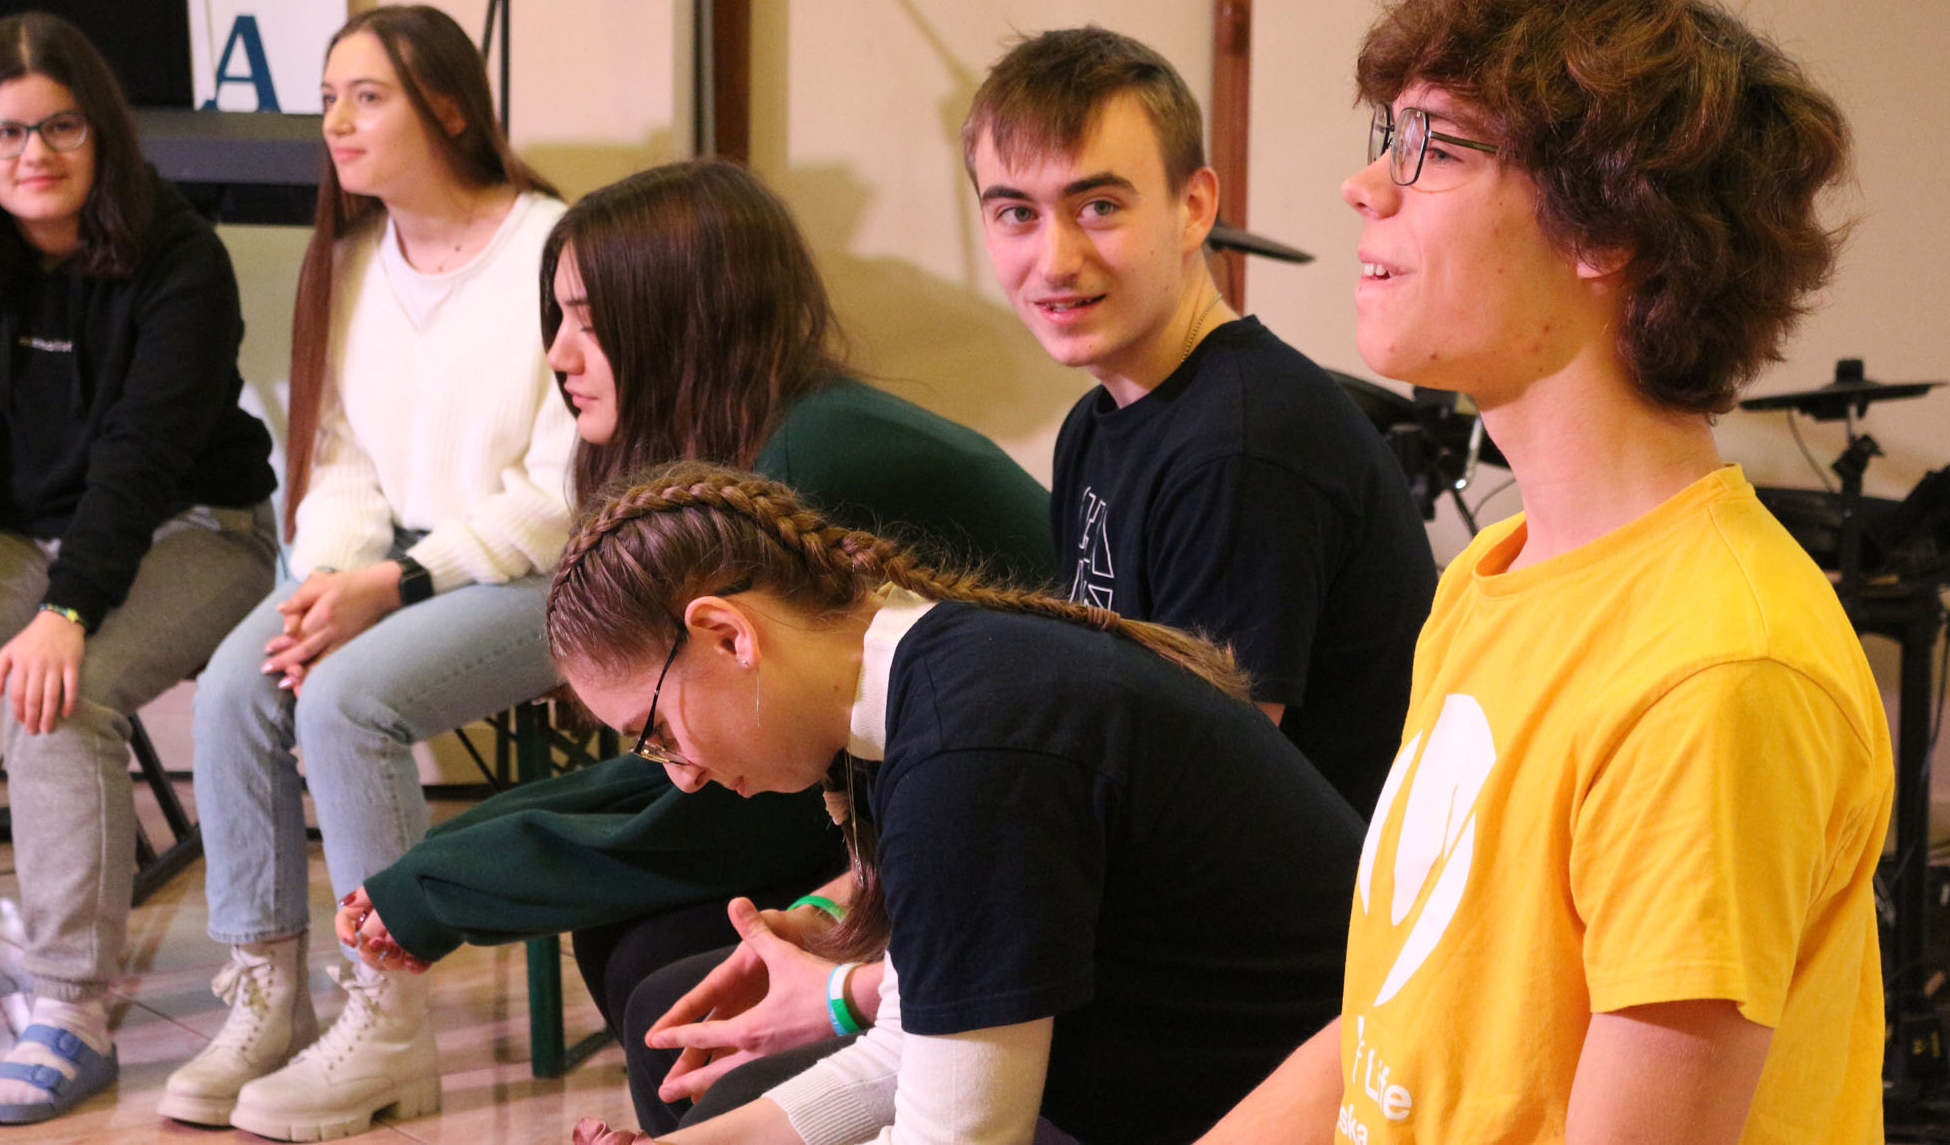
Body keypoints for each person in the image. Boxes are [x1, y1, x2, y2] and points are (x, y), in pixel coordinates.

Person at [1200, 0, 1889, 1145]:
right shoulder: (1492, 573)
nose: (1366, 185)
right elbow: (1391, 1032)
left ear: (1604, 226)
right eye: (1388, 136)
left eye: (1434, 146)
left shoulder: (1713, 676)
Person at [331, 159, 1055, 1127]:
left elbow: (743, 799)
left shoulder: (812, 457)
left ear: (683, 318)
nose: (558, 354)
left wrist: (446, 882)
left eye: (588, 320)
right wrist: (445, 860)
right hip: (905, 826)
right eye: (557, 319)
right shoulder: (767, 442)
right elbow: (688, 762)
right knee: (636, 951)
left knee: (659, 977)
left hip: (999, 840)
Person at [548, 462, 1365, 1145]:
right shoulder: (930, 682)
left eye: (657, 731)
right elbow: (909, 1044)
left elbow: (957, 1133)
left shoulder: (968, 751)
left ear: (730, 635)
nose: (680, 775)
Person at [157, 5, 574, 1141]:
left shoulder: (554, 246)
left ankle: (387, 1020)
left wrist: (389, 589)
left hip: (537, 568)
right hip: (392, 562)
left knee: (347, 701)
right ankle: (267, 996)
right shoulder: (348, 262)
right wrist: (324, 585)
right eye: (328, 98)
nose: (336, 121)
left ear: (449, 107)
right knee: (239, 682)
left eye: (367, 96)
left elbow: (559, 496)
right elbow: (340, 463)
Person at [965, 25, 1435, 820]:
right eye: (1016, 213)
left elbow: (1197, 806)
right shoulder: (1096, 424)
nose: (1055, 260)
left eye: (1099, 206)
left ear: (1193, 208)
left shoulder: (1242, 448)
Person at [0, 12, 278, 1125]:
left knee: (62, 695)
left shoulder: (182, 259)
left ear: (101, 130)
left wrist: (69, 610)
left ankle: (67, 1012)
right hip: (19, 533)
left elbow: (139, 462)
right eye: (4, 132)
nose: (31, 153)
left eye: (59, 126)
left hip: (195, 525)